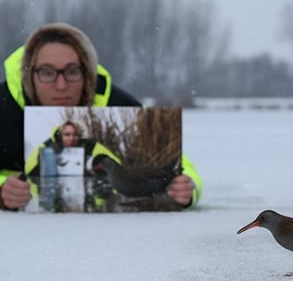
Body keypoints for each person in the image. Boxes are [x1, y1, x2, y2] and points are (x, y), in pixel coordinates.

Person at [0, 22, 202, 210]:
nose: (61, 85)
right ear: (29, 75)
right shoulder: (3, 108)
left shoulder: (120, 106)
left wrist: (186, 188)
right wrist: (2, 191)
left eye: (72, 72)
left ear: (87, 74)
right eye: (47, 72)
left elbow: (181, 164)